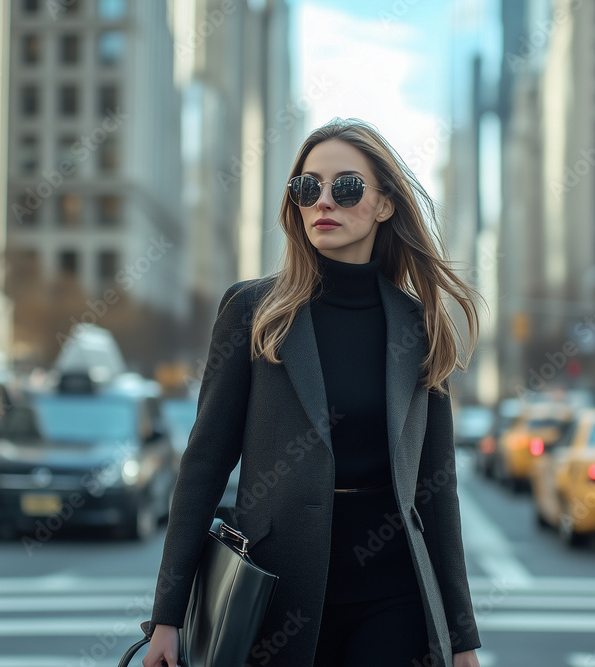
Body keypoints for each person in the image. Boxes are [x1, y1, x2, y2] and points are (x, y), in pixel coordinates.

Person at [142, 118, 484, 667]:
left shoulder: (420, 325)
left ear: (385, 205)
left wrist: (461, 637)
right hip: (276, 595)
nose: (323, 200)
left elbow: (436, 490)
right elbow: (204, 464)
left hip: (394, 596)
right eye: (307, 188)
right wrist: (168, 614)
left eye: (345, 187)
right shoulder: (254, 312)